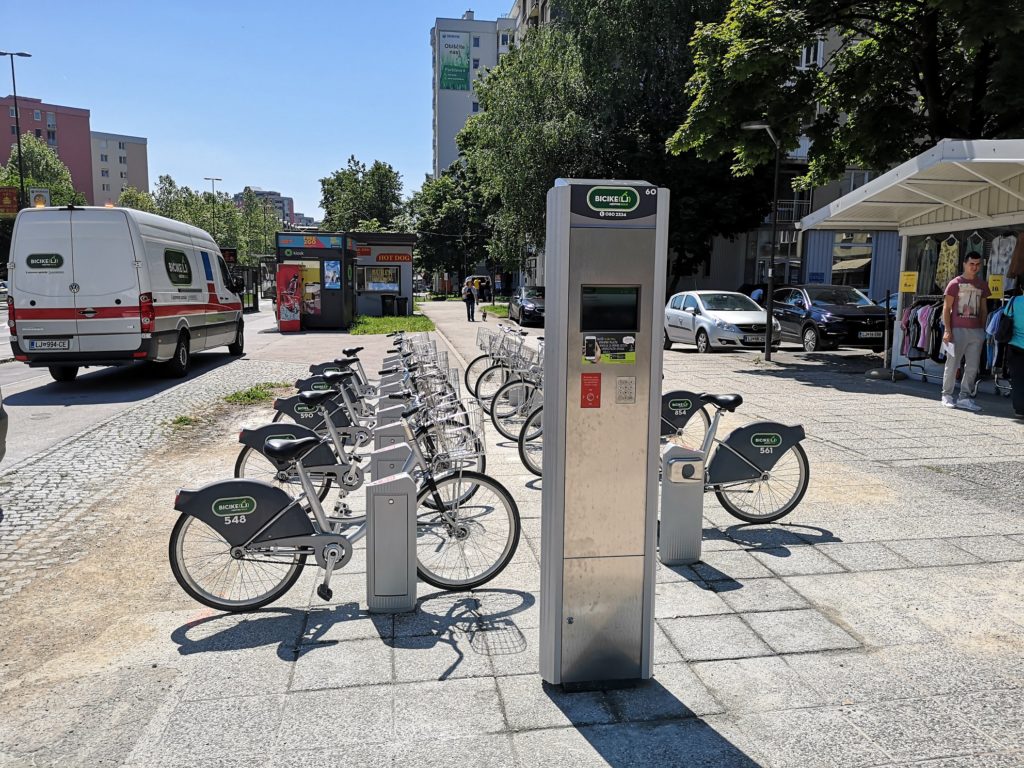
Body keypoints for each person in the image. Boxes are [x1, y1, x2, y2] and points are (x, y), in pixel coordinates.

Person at [941, 252, 990, 411]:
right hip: (957, 330)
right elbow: (946, 308)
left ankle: (964, 397)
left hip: (976, 331)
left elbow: (984, 309)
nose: (974, 267)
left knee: (972, 366)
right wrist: (948, 330)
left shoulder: (982, 284)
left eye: (977, 264)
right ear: (964, 264)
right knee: (953, 364)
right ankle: (946, 395)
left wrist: (982, 330)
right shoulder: (955, 283)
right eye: (972, 264)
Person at [1005, 287, 1024, 418]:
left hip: (1016, 345)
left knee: (1017, 379)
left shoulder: (1013, 301)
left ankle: (1019, 409)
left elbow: (1006, 317)